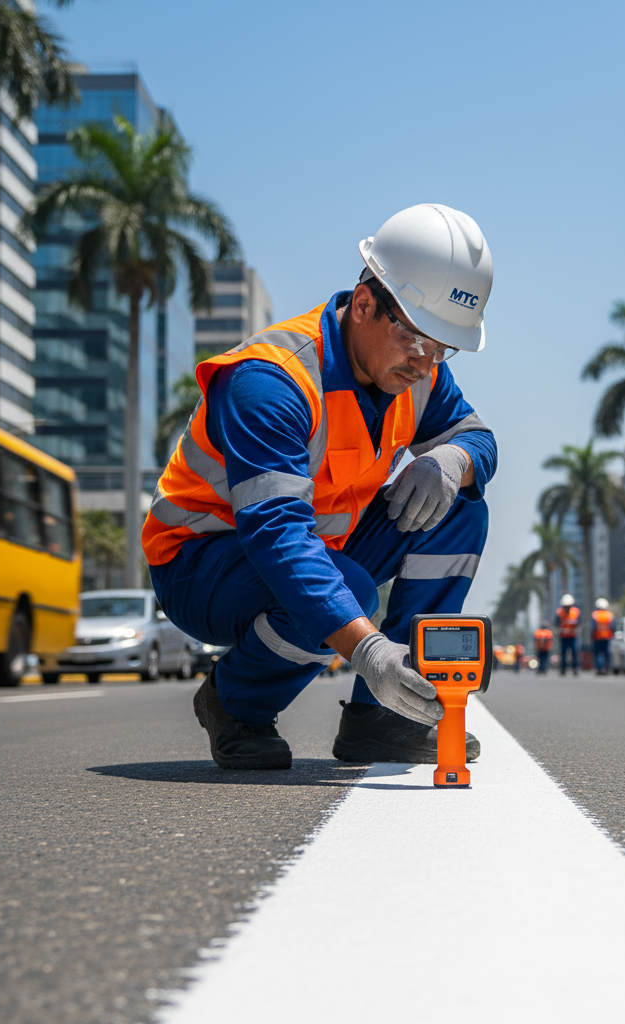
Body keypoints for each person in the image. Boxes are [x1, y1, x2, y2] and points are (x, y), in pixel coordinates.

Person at [142, 204, 496, 769]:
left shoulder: (420, 373)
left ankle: (384, 720)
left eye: (441, 348)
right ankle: (237, 705)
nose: (426, 362)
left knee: (460, 510)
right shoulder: (272, 379)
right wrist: (368, 649)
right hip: (202, 563)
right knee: (347, 590)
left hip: (320, 545)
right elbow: (277, 538)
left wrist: (454, 459)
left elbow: (477, 436)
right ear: (364, 304)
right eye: (417, 339)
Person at [556, 594, 580, 676]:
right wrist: (559, 629)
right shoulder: (560, 612)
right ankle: (563, 669)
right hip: (563, 637)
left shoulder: (575, 611)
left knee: (574, 653)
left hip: (573, 636)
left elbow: (579, 622)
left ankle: (575, 668)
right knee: (563, 654)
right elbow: (556, 623)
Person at [592, 598, 615, 675]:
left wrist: (592, 636)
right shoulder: (609, 615)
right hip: (607, 637)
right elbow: (612, 627)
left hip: (597, 637)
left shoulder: (595, 614)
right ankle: (607, 668)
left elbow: (593, 627)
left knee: (598, 654)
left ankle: (599, 669)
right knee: (606, 654)